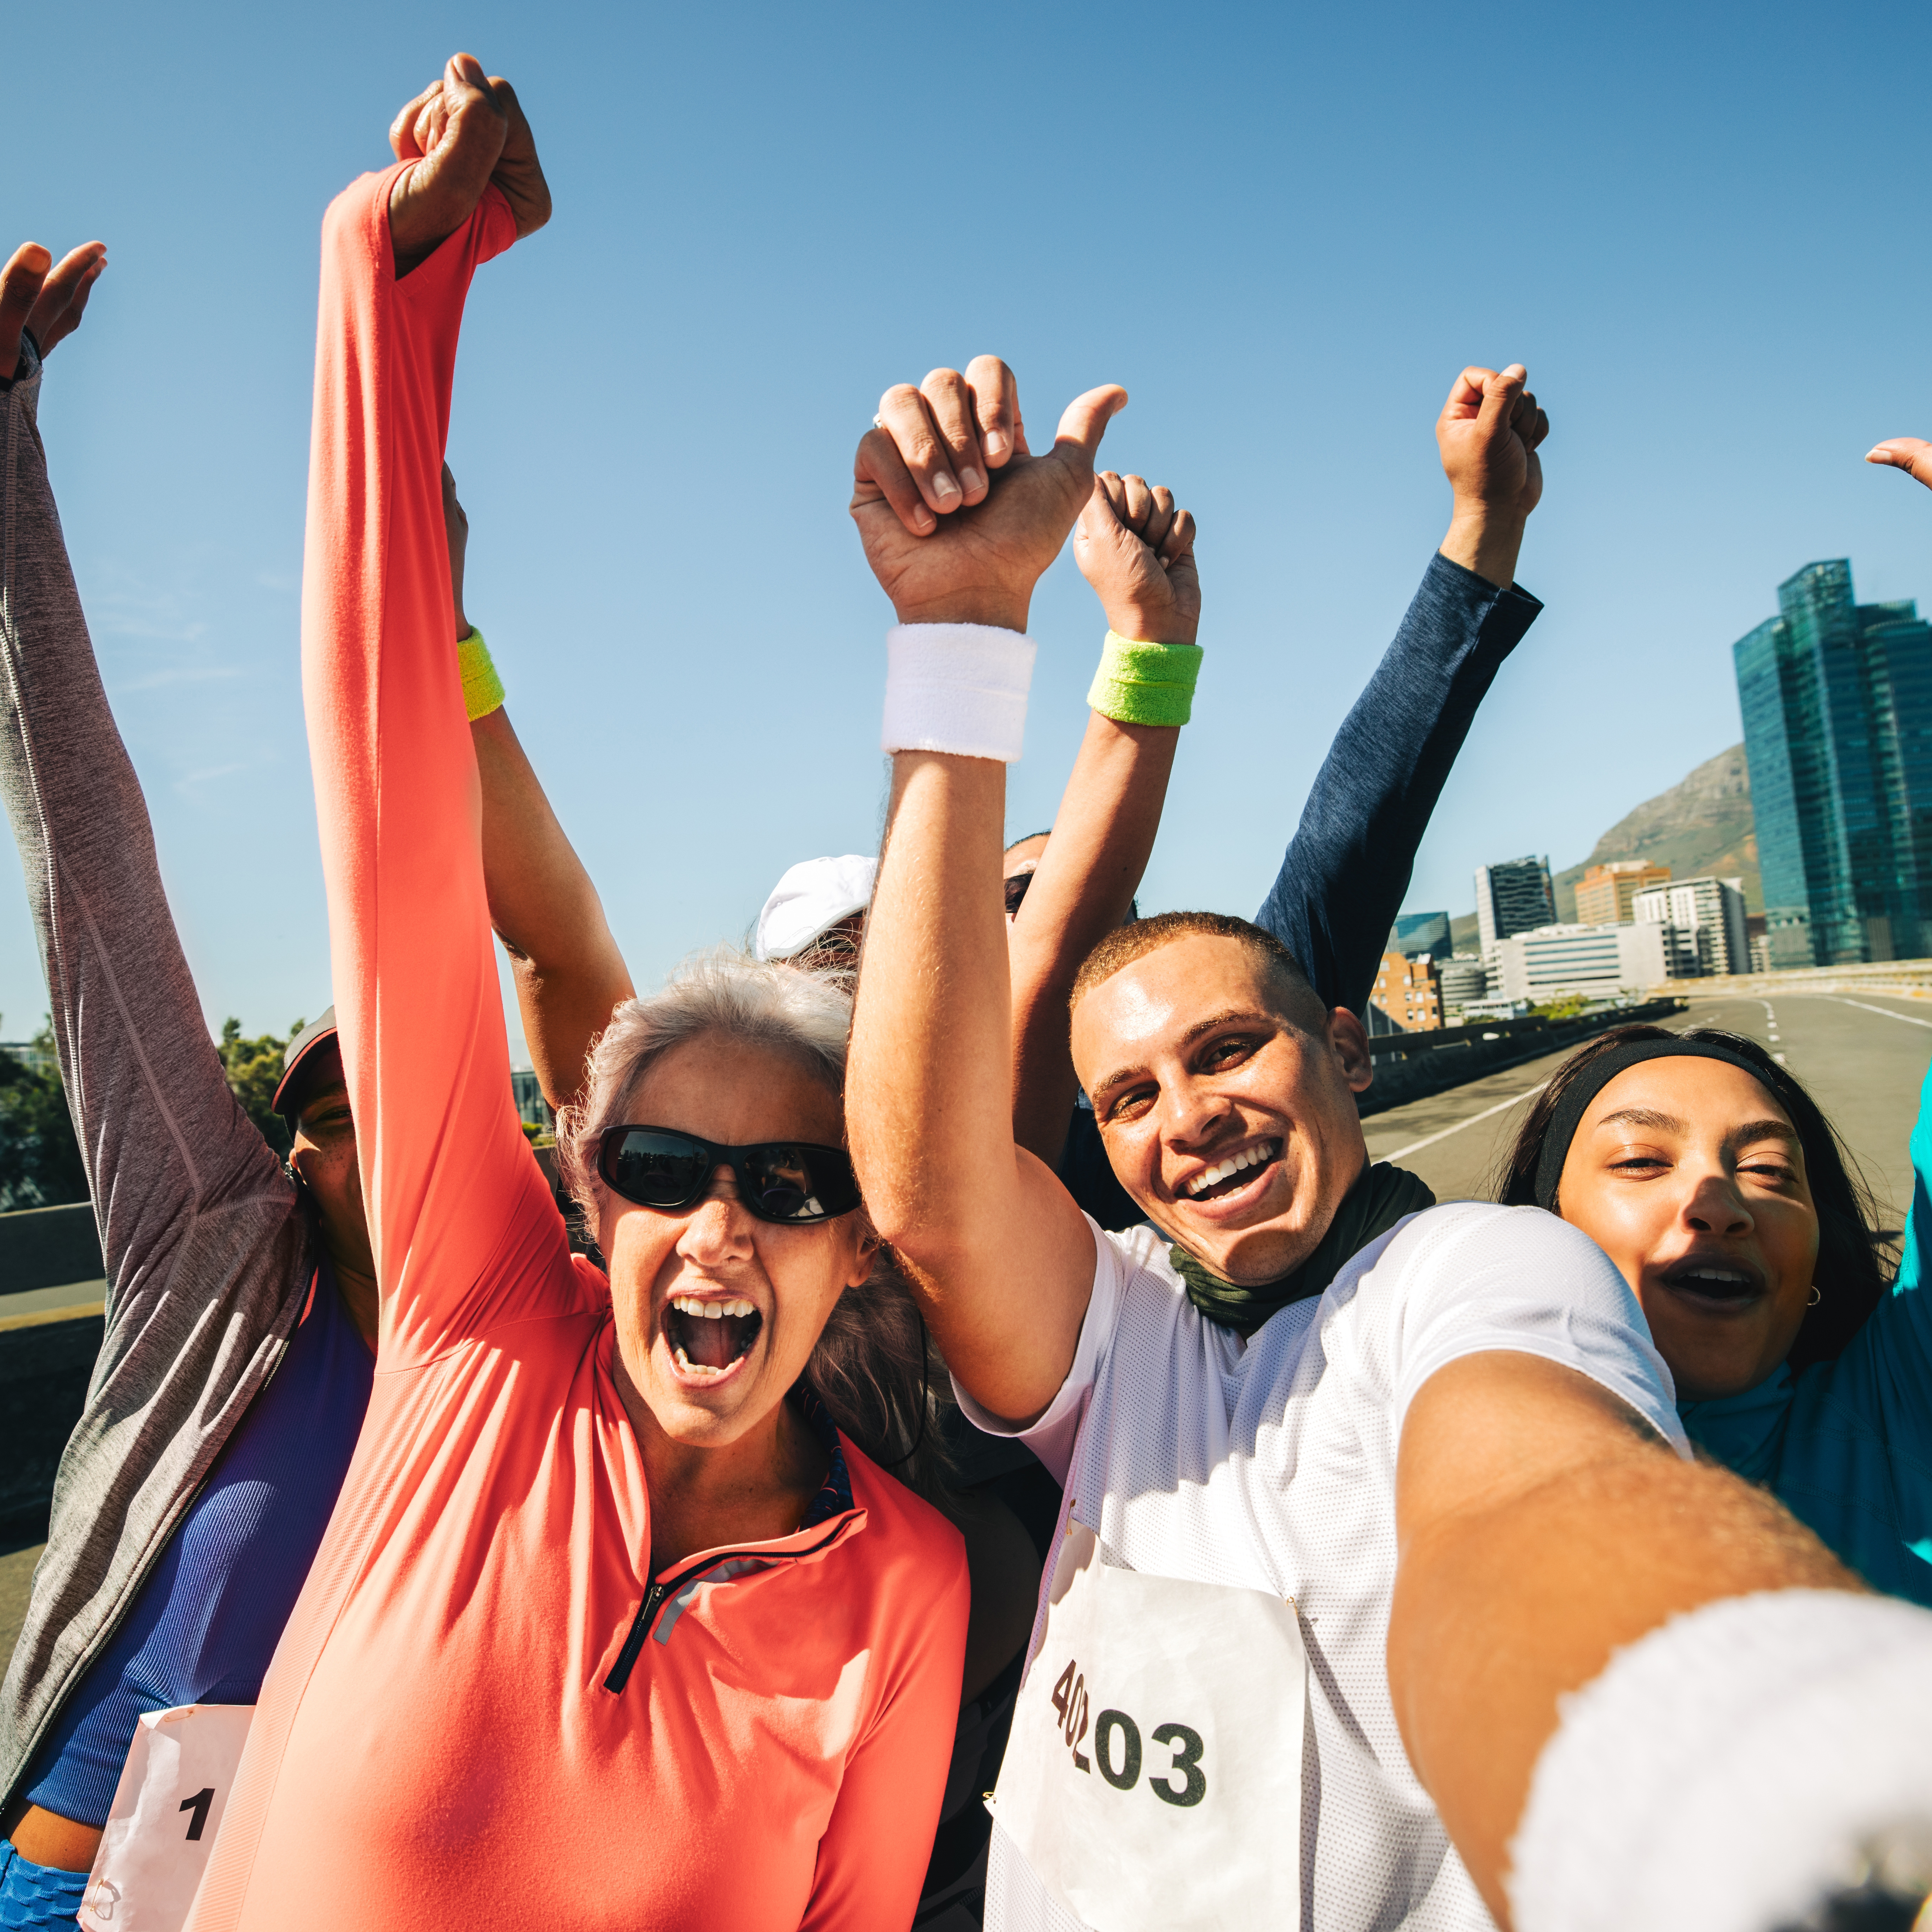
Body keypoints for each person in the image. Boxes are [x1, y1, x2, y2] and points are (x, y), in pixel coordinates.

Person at [841, 355, 1932, 1932]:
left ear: (1341, 1041)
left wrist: (1705, 1752)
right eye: (1128, 1095)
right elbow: (936, 1179)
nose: (1184, 1110)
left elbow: (1530, 1508)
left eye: (1227, 1049)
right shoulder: (1107, 1297)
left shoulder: (1490, 1272)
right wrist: (960, 637)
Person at [184, 58, 967, 1932]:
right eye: (669, 1165)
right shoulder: (470, 1342)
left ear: (856, 1246)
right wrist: (394, 282)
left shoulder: (909, 1586)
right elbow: (394, 835)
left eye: (788, 1186)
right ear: (590, 1193)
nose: (718, 1221)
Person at [0, 239, 621, 1925]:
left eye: (423, 1091)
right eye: (340, 1111)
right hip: (75, 1897)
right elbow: (94, 879)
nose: (394, 1125)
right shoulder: (212, 1262)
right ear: (290, 1154)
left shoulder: (552, 1333)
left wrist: (438, 612)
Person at [765, 392, 1547, 1235]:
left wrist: (1484, 520)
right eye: (1018, 896)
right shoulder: (922, 1188)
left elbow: (1359, 820)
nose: (1191, 1117)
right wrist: (1125, 639)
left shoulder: (1247, 1011)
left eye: (1223, 1053)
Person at [1491, 1021, 1931, 1605]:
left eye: (1769, 1170)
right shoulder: (1408, 1452)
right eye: (1639, 1161)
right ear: (1544, 1227)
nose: (1717, 1204)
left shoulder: (1902, 1402)